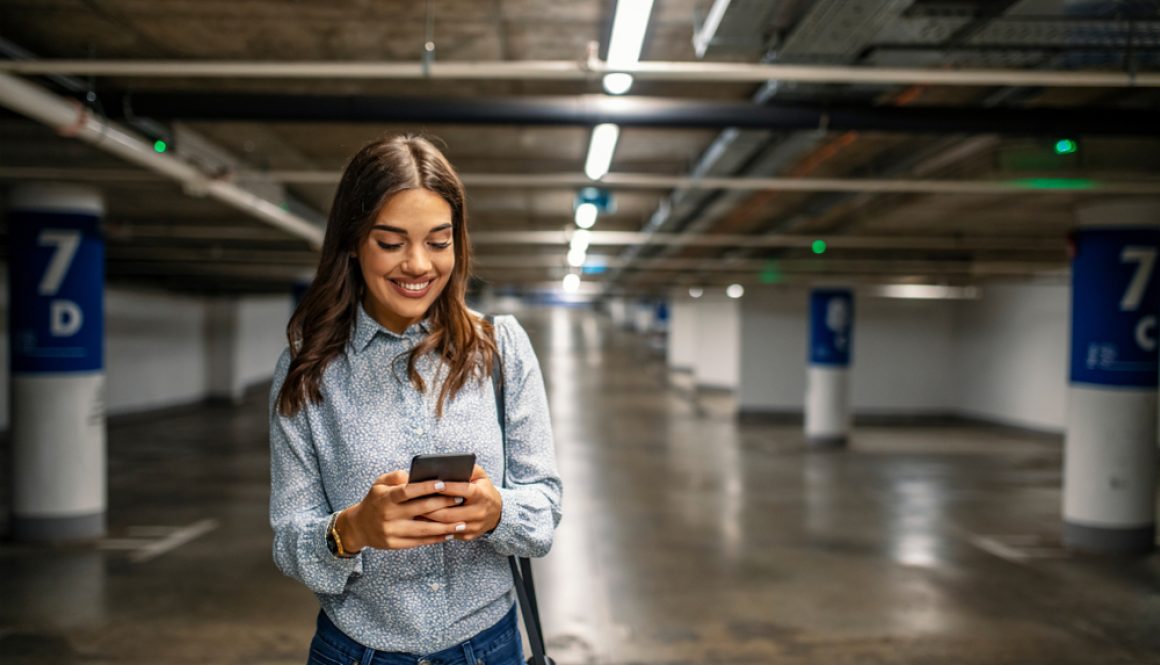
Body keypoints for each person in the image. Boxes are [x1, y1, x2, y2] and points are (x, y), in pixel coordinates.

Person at [268, 134, 562, 665]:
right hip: (357, 652)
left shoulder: (501, 349)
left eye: (438, 240)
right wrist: (351, 530)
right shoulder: (307, 370)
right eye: (391, 242)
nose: (418, 264)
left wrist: (498, 511)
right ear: (353, 244)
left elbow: (543, 508)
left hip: (488, 648)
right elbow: (289, 540)